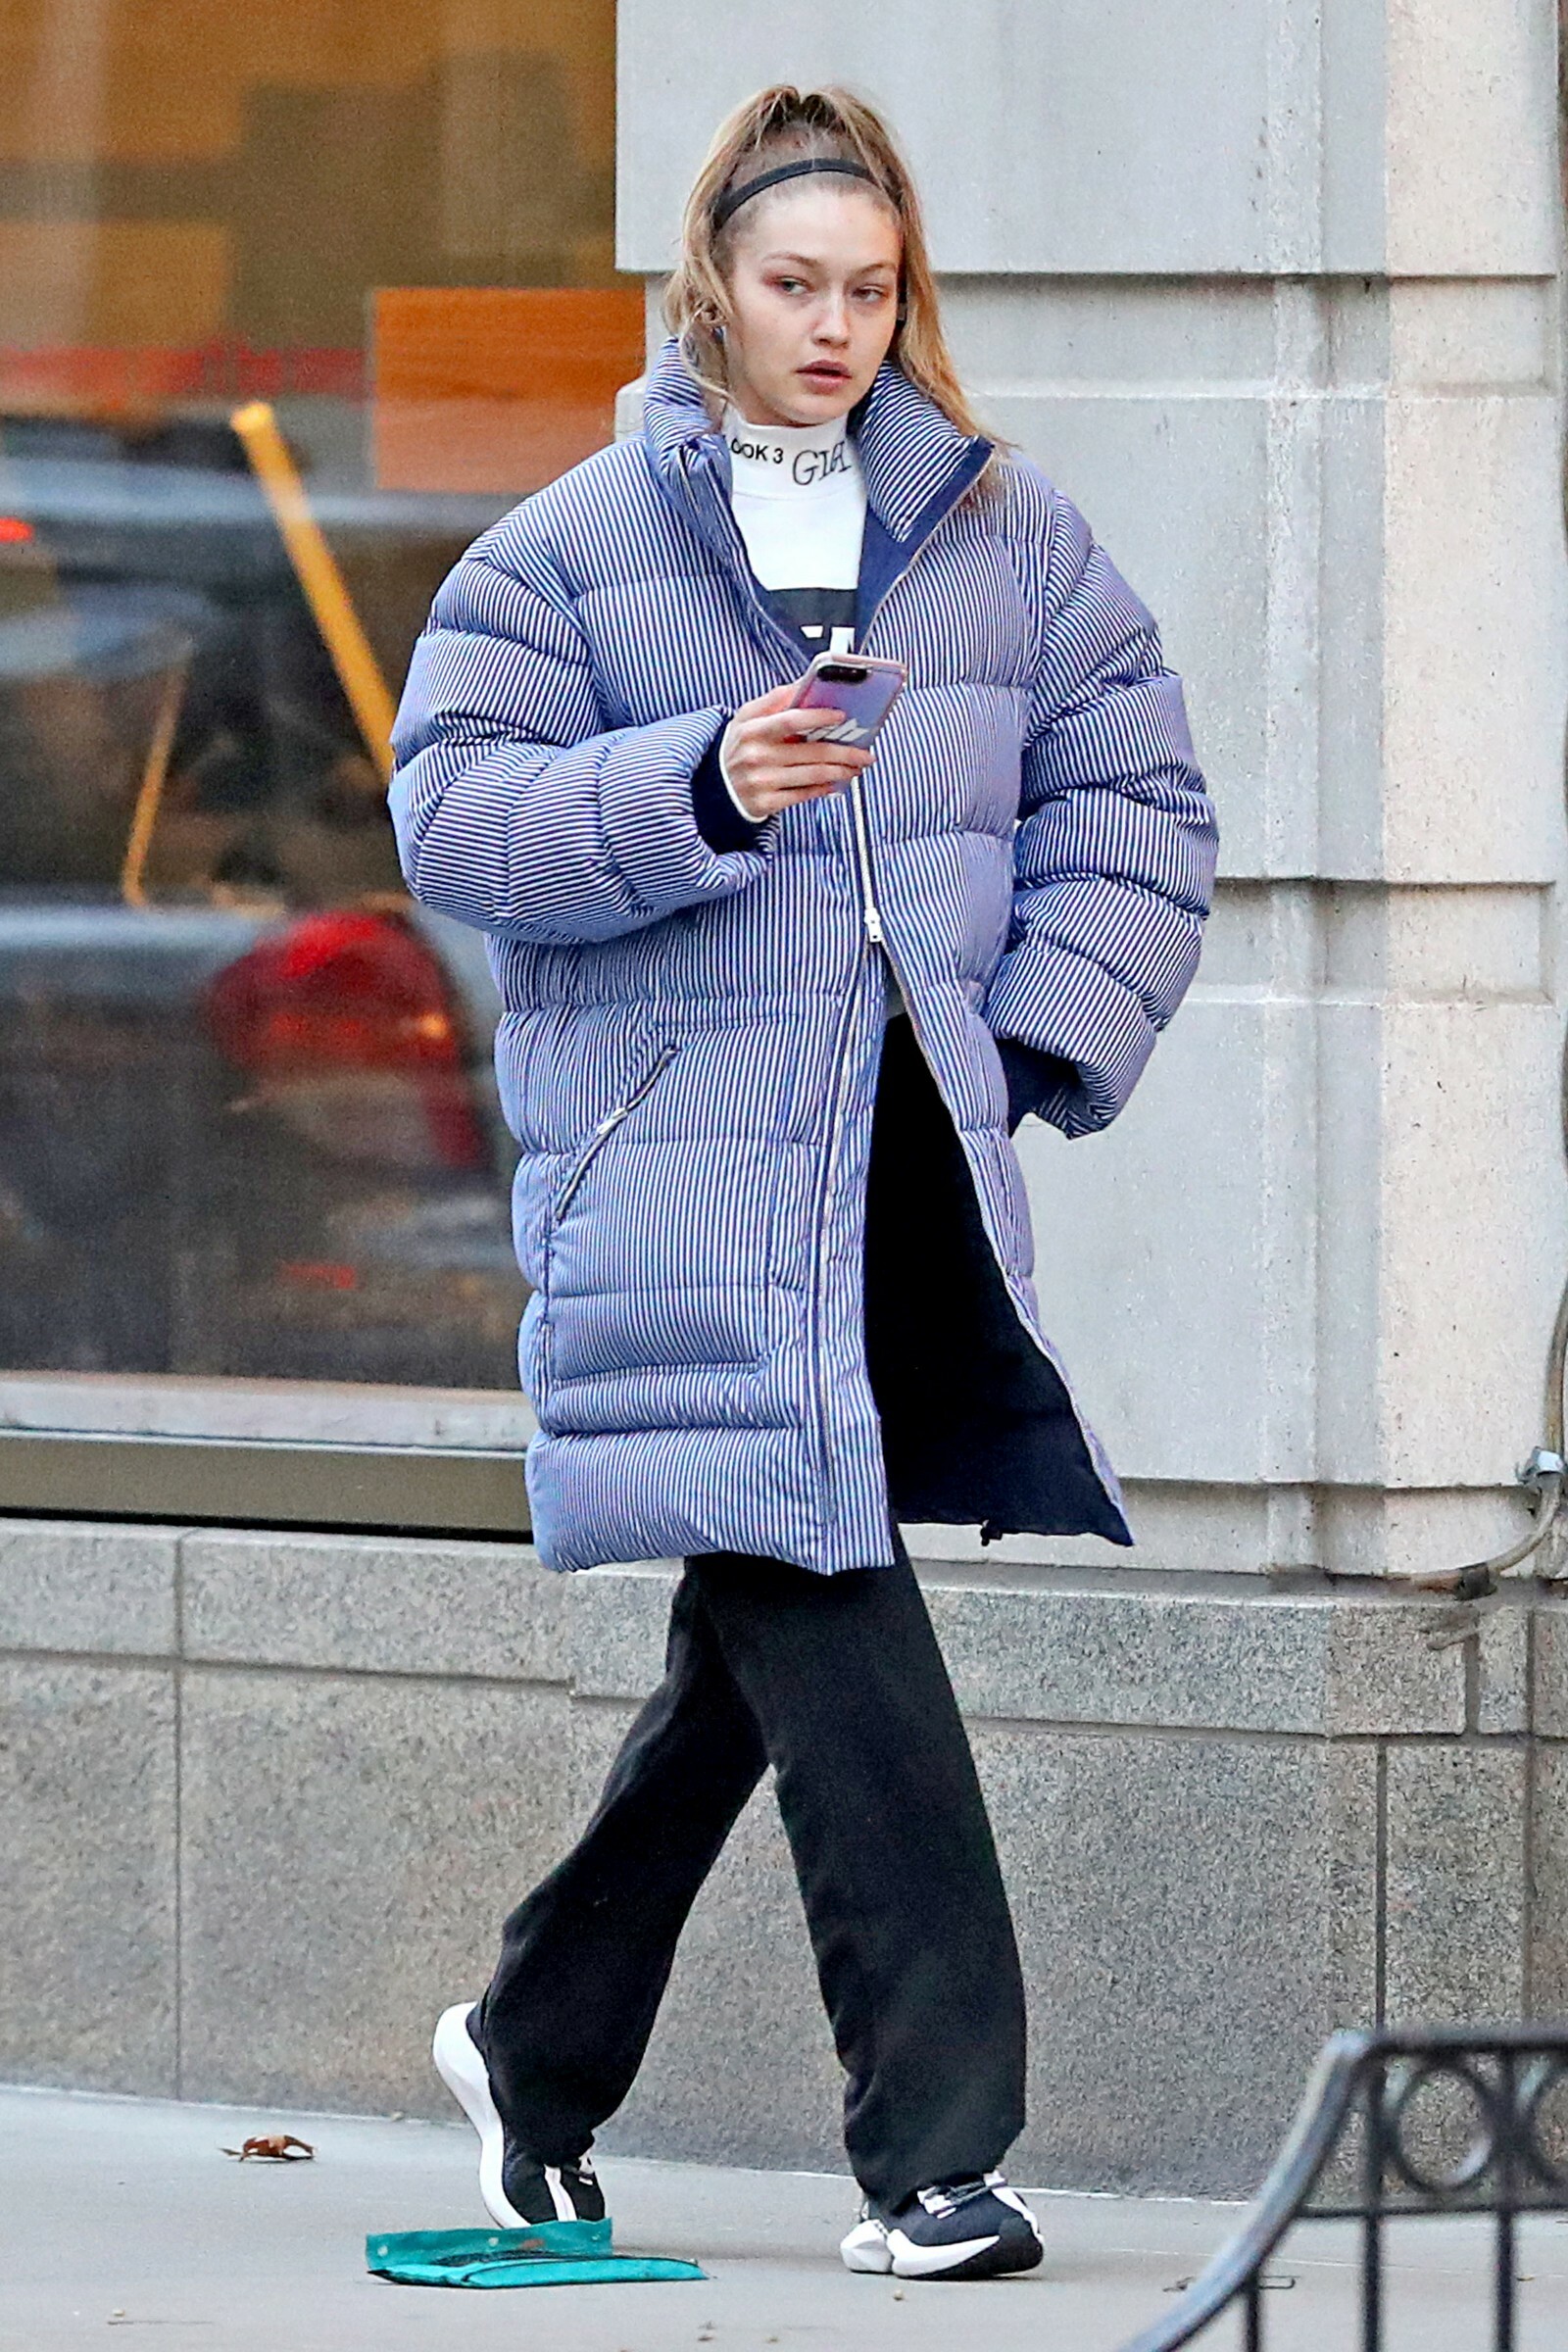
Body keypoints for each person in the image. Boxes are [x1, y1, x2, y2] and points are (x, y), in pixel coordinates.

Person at [389, 83, 1217, 2283]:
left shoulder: (1004, 535)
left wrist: (1016, 1045)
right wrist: (701, 781)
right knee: (833, 1610)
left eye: (869, 287)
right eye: (793, 284)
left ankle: (531, 2044)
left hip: (903, 1167)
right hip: (680, 1174)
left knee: (763, 1607)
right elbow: (453, 819)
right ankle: (934, 2155)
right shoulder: (564, 549)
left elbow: (1137, 799)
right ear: (712, 288)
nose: (834, 325)